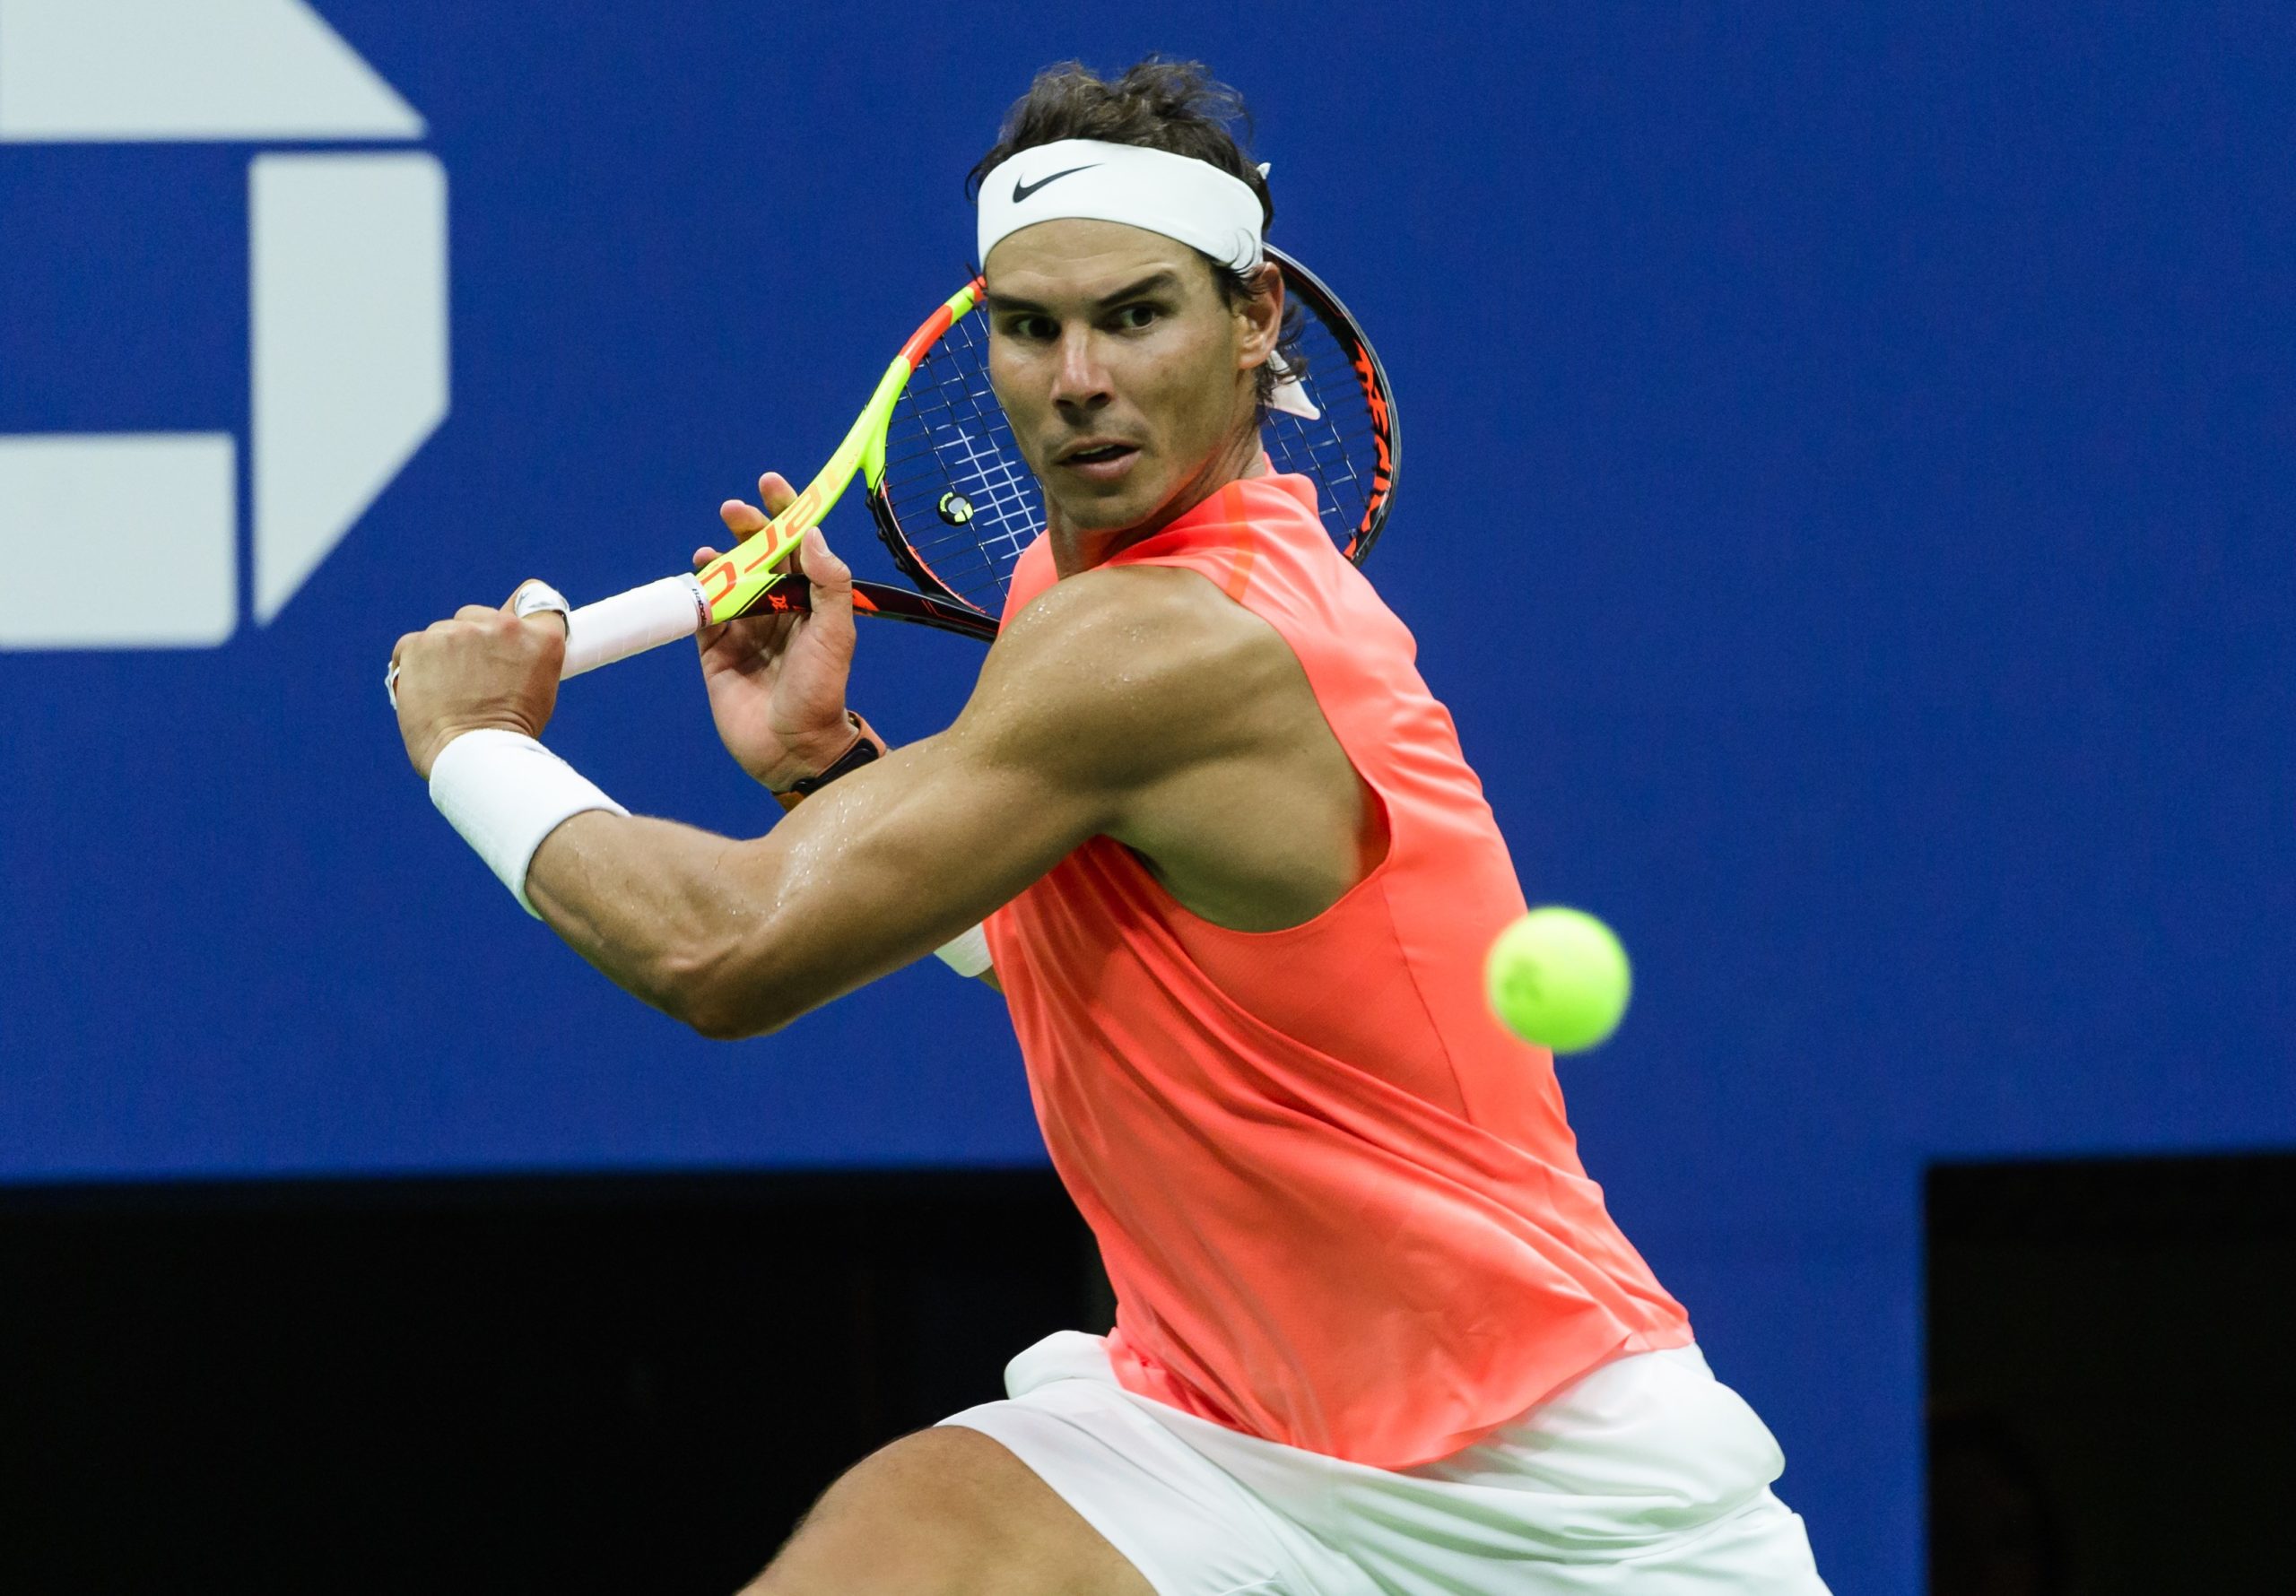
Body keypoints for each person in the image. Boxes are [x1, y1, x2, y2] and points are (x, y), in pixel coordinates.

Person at [389, 57, 1831, 1596]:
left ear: (1255, 318)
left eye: (1137, 316)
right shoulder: (1065, 600)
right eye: (1030, 327)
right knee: (903, 1544)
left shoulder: (1171, 644)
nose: (1078, 376)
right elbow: (1076, 952)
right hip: (1217, 1430)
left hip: (1554, 1488)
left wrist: (471, 746)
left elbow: (725, 952)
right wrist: (829, 769)